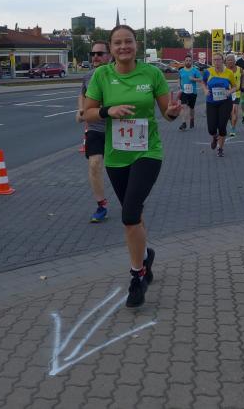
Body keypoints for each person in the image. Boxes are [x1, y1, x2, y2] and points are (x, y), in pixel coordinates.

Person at [83, 25, 182, 308]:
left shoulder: (152, 74)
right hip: (116, 156)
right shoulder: (102, 75)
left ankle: (137, 276)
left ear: (136, 45)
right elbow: (88, 112)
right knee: (134, 215)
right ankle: (146, 256)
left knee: (128, 215)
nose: (123, 46)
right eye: (117, 43)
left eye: (128, 41)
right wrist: (108, 110)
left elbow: (167, 113)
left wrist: (172, 112)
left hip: (147, 152)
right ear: (111, 48)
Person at [76, 41, 111, 222]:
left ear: (109, 55)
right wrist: (80, 110)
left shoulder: (117, 73)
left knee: (120, 170)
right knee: (94, 164)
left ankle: (130, 199)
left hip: (117, 128)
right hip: (95, 127)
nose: (95, 57)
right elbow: (82, 94)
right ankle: (101, 205)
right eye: (93, 54)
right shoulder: (88, 76)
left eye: (99, 53)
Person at [203, 53, 235, 157]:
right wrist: (205, 90)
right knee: (211, 128)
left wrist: (229, 92)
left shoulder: (229, 73)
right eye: (215, 60)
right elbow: (203, 83)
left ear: (222, 61)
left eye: (218, 60)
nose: (216, 62)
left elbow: (235, 86)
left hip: (225, 102)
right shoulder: (208, 72)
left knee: (222, 126)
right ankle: (214, 137)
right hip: (211, 102)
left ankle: (220, 148)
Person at [177, 54, 202, 131]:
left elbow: (201, 79)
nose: (188, 62)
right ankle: (184, 123)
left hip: (192, 92)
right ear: (184, 62)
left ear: (191, 62)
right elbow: (179, 78)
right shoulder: (181, 71)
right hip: (184, 92)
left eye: (189, 61)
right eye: (186, 61)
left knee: (191, 108)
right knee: (183, 106)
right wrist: (179, 85)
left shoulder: (195, 70)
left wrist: (194, 79)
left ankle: (192, 119)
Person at [224, 54, 242, 137]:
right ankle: (231, 122)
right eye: (228, 60)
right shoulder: (223, 70)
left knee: (234, 110)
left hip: (236, 93)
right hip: (226, 93)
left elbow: (242, 77)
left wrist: (243, 86)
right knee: (228, 112)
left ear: (235, 61)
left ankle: (233, 128)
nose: (230, 61)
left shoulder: (239, 69)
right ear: (226, 62)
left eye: (232, 60)